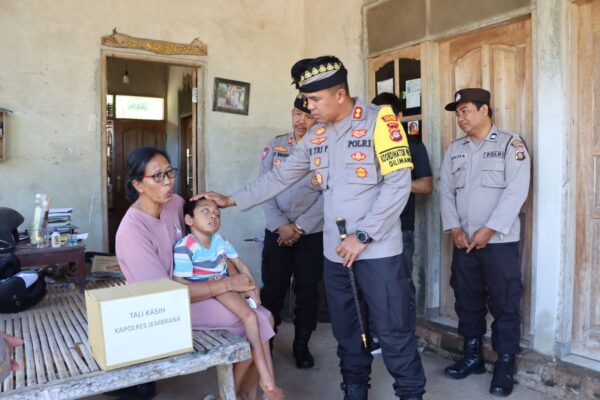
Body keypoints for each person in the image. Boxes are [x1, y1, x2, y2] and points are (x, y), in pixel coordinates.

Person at [202, 56, 426, 400]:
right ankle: (355, 390)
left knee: (393, 330)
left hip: (377, 252)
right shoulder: (317, 135)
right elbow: (279, 176)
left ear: (339, 95)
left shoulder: (380, 122)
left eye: (315, 100)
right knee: (347, 331)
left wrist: (363, 235)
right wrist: (230, 200)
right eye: (306, 100)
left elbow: (398, 185)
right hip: (336, 255)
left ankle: (410, 393)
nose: (309, 108)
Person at [115, 147, 276, 400]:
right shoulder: (132, 232)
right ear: (138, 184)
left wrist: (241, 283)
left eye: (169, 172)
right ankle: (232, 396)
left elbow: (213, 245)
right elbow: (163, 295)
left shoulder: (175, 205)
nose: (168, 181)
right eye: (158, 176)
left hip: (200, 289)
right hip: (166, 308)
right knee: (254, 321)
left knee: (264, 316)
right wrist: (227, 284)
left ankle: (243, 394)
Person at [439, 88, 530, 397]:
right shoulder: (455, 149)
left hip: (499, 242)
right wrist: (454, 228)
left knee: (505, 303)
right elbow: (445, 190)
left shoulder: (510, 144)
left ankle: (505, 364)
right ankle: (473, 355)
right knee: (467, 299)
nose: (460, 118)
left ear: (485, 110)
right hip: (464, 241)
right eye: (457, 113)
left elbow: (516, 190)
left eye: (465, 111)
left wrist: (489, 229)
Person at [173, 197, 284, 400]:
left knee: (264, 317)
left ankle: (253, 389)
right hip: (210, 292)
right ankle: (266, 381)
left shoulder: (220, 241)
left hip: (224, 288)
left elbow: (240, 264)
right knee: (252, 318)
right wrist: (218, 285)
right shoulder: (185, 246)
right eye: (205, 211)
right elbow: (181, 285)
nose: (213, 215)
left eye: (217, 212)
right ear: (189, 220)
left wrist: (252, 287)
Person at [259, 95, 324, 369]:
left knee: (307, 291)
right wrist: (281, 225)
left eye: (309, 115)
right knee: (273, 290)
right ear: (292, 113)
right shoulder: (275, 146)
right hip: (277, 231)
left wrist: (298, 227)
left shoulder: (324, 148)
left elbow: (327, 195)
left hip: (310, 234)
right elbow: (264, 187)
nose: (302, 120)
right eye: (298, 113)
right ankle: (266, 345)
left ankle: (301, 345)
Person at [370, 92, 432, 355]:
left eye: (385, 115)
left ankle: (405, 338)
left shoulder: (413, 145)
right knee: (372, 286)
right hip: (367, 229)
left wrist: (393, 184)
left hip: (399, 226)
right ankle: (376, 337)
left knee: (401, 284)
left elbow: (426, 185)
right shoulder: (366, 146)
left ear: (398, 117)